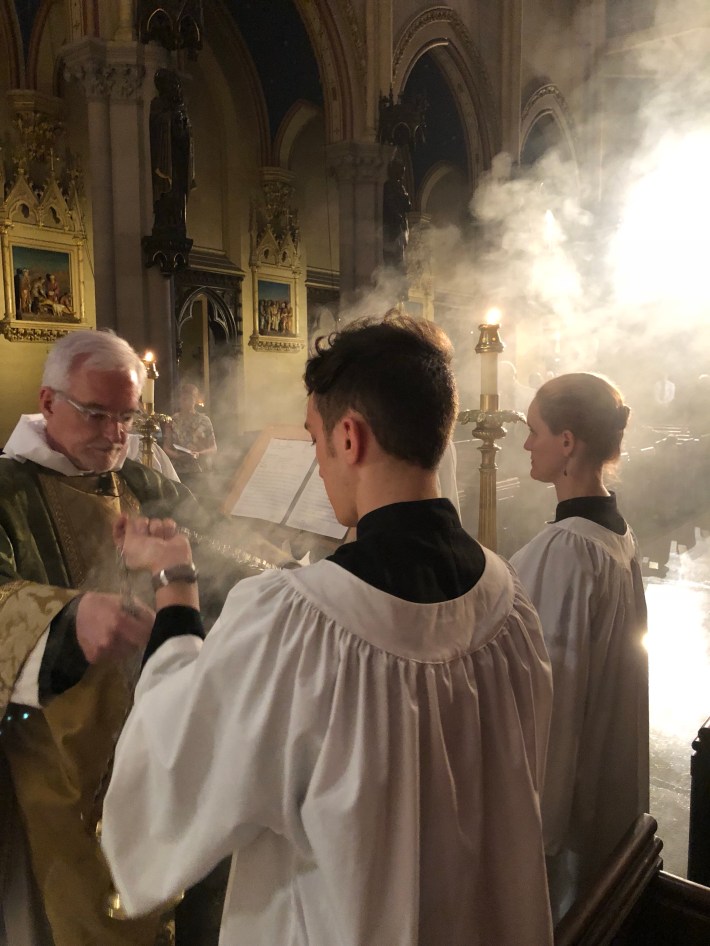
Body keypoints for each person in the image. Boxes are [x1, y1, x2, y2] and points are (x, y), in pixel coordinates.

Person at [101, 315, 554, 946]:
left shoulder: (299, 624)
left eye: (314, 440)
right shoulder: (509, 601)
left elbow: (174, 771)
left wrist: (174, 582)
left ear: (349, 436)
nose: (317, 464)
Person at [0, 329, 235, 946]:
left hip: (158, 739)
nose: (115, 434)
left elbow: (221, 547)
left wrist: (292, 582)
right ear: (48, 402)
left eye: (127, 417)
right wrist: (65, 622)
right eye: (96, 414)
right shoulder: (8, 490)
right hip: (56, 758)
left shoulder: (144, 482)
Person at [509, 373, 649, 923]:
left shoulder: (566, 552)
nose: (526, 444)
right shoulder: (616, 533)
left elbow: (551, 700)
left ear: (567, 442)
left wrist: (532, 835)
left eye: (534, 430)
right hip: (608, 781)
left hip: (566, 813)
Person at [162, 382, 217, 480]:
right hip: (177, 472)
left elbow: (213, 448)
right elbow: (166, 447)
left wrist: (199, 454)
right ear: (180, 399)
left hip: (199, 471)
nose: (187, 402)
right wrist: (177, 456)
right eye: (184, 399)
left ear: (195, 400)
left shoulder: (204, 421)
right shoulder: (172, 420)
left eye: (190, 399)